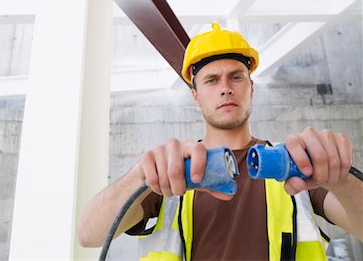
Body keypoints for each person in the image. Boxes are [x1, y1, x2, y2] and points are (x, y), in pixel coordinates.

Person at [78, 22, 363, 260]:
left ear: (251, 88)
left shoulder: (294, 163)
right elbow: (89, 233)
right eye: (212, 80)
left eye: (236, 77)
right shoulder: (173, 171)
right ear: (196, 95)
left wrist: (340, 178)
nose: (225, 89)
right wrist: (140, 174)